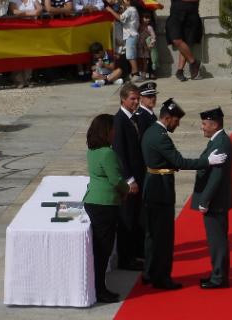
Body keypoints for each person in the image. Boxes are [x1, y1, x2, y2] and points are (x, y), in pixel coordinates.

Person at [140, 98, 226, 290]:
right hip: (160, 190)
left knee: (152, 235)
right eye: (176, 121)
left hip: (152, 187)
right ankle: (161, 278)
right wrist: (207, 162)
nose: (177, 125)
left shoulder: (152, 131)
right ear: (168, 118)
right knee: (163, 238)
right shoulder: (161, 136)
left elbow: (164, 160)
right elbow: (180, 161)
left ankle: (149, 272)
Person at [83, 113, 129, 303]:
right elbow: (116, 179)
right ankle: (100, 289)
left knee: (100, 248)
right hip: (105, 203)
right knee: (103, 249)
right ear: (107, 131)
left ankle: (98, 286)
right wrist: (127, 189)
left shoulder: (92, 150)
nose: (115, 132)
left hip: (93, 200)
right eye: (113, 129)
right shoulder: (107, 153)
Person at [193, 107, 232, 289]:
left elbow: (216, 176)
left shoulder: (221, 144)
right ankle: (217, 273)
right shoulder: (218, 140)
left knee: (217, 241)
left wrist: (204, 200)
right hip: (217, 201)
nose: (202, 127)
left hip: (215, 202)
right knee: (216, 240)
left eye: (204, 124)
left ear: (214, 124)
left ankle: (218, 278)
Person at [112, 83, 144, 271]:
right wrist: (129, 179)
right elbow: (119, 153)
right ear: (123, 99)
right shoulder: (119, 121)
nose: (136, 102)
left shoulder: (134, 118)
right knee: (127, 217)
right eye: (132, 99)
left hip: (138, 175)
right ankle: (125, 258)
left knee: (135, 216)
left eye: (137, 98)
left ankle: (134, 253)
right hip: (129, 179)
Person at [166, 0, 203, 81]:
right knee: (176, 39)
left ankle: (180, 71)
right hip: (176, 12)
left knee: (185, 42)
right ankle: (194, 63)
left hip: (191, 13)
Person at [105, 0, 140, 82]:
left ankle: (135, 73)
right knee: (130, 55)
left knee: (130, 55)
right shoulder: (132, 10)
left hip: (130, 36)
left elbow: (120, 18)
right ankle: (133, 73)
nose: (123, 3)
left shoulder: (130, 10)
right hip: (129, 37)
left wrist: (110, 10)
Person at [137, 10, 156, 80]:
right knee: (139, 61)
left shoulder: (149, 27)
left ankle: (144, 74)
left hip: (145, 47)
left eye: (149, 18)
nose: (148, 19)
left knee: (145, 62)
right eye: (146, 17)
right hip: (138, 47)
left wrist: (151, 44)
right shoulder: (138, 26)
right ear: (141, 18)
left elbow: (153, 37)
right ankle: (140, 73)